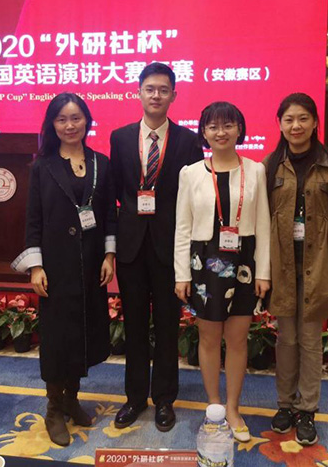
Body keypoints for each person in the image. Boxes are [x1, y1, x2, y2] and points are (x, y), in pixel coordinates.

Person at [12, 92, 117, 446]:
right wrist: (35, 266)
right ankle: (54, 408)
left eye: (76, 118)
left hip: (91, 264)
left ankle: (72, 398)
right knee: (58, 338)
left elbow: (109, 214)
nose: (70, 125)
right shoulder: (42, 167)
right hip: (56, 266)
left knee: (83, 332)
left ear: (87, 120)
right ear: (52, 124)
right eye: (62, 119)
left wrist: (109, 255)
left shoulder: (101, 163)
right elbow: (33, 219)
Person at [110, 62, 204, 432]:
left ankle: (164, 399)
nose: (156, 95)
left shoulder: (187, 141)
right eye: (150, 89)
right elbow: (116, 190)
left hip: (170, 246)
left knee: (167, 325)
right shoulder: (119, 138)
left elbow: (194, 197)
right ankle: (134, 398)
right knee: (134, 325)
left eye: (163, 90)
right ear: (138, 92)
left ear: (173, 95)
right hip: (131, 246)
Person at [174, 101, 271, 443]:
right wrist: (181, 274)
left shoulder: (256, 170)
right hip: (205, 262)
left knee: (238, 338)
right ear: (203, 132)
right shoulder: (190, 173)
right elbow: (182, 228)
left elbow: (263, 225)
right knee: (209, 337)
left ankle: (232, 407)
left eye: (228, 125)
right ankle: (214, 405)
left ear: (239, 129)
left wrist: (264, 271)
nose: (221, 132)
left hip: (244, 261)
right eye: (213, 126)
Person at [263, 93, 328, 446]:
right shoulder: (271, 164)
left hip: (319, 261)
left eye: (303, 118)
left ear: (315, 122)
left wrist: (323, 237)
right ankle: (285, 405)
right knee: (287, 338)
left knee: (311, 339)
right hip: (282, 263)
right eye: (288, 119)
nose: (296, 125)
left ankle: (307, 409)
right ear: (280, 124)